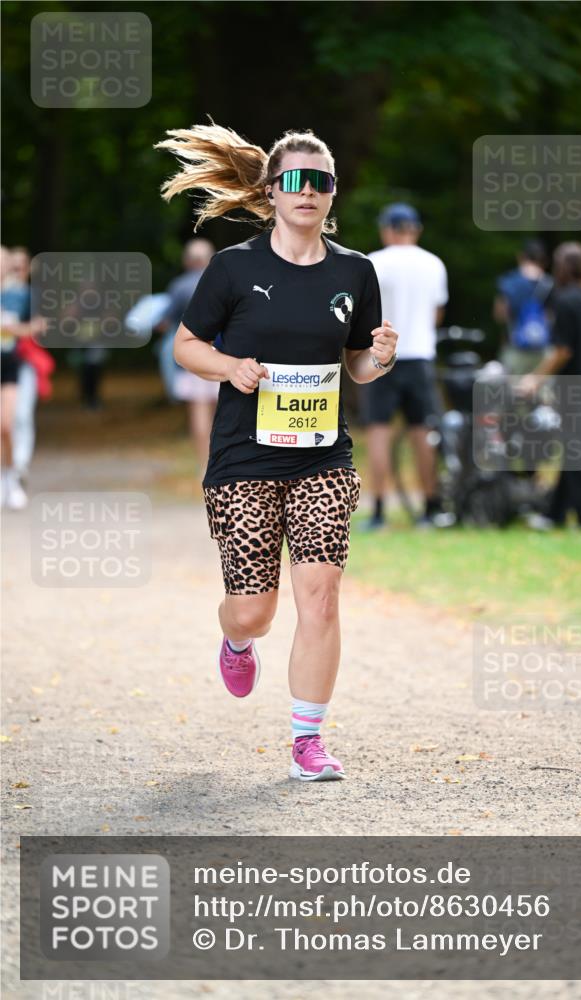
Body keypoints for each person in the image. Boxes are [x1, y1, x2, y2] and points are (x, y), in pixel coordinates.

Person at [156, 123, 398, 781]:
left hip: (322, 457)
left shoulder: (355, 270)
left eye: (321, 181)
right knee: (254, 608)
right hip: (243, 458)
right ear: (270, 189)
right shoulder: (233, 267)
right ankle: (236, 640)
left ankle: (306, 742)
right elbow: (185, 346)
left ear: (331, 194)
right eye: (295, 179)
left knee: (319, 595)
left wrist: (377, 358)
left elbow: (356, 364)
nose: (308, 192)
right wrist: (230, 368)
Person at [520, 242, 581, 531]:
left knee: (577, 450)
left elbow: (563, 350)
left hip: (575, 384)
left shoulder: (565, 300)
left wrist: (534, 379)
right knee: (577, 446)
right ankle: (555, 514)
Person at [364, 203, 448, 529]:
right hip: (421, 355)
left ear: (387, 229)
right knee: (423, 433)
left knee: (379, 432)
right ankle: (429, 509)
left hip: (384, 355)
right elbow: (436, 315)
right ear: (416, 229)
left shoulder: (375, 262)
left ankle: (379, 512)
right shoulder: (434, 264)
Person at [159, 239, 218, 473]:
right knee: (224, 414)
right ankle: (221, 464)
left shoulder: (179, 286)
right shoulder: (222, 282)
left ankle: (204, 466)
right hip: (223, 357)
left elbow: (165, 322)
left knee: (199, 412)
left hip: (192, 361)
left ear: (186, 261)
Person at [1, 246, 48, 509]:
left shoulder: (24, 295)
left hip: (16, 363)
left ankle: (15, 473)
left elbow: (40, 325)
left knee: (13, 421)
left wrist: (14, 329)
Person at [494, 239, 554, 376]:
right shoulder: (550, 283)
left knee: (514, 393)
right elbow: (552, 317)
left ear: (521, 256)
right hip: (544, 350)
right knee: (542, 393)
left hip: (515, 348)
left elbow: (500, 315)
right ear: (543, 259)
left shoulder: (509, 281)